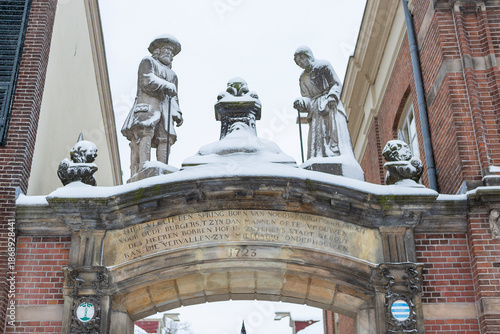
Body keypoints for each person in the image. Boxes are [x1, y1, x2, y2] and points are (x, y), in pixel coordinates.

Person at [122, 34, 183, 176]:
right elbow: (146, 80)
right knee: (145, 133)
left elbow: (174, 98)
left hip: (166, 111)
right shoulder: (148, 62)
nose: (169, 55)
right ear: (158, 51)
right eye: (166, 51)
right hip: (148, 108)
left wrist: (178, 112)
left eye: (171, 53)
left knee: (166, 137)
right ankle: (144, 167)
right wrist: (166, 86)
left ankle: (163, 169)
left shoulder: (172, 75)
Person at [293, 46, 348, 159]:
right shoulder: (302, 78)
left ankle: (335, 153)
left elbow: (336, 84)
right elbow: (307, 98)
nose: (301, 63)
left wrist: (332, 97)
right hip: (316, 110)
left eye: (302, 58)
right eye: (299, 62)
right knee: (317, 138)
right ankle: (318, 157)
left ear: (309, 56)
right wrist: (302, 102)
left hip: (329, 104)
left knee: (333, 133)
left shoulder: (323, 66)